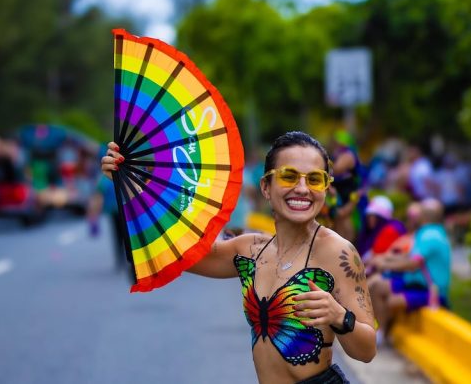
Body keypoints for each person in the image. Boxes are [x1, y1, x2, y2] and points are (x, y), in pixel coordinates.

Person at [102, 131, 376, 383]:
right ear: (266, 187)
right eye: (289, 176)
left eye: (315, 179)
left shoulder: (337, 252)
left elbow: (367, 350)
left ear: (326, 188)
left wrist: (339, 316)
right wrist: (130, 182)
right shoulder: (251, 250)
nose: (303, 188)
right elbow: (179, 252)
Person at [366, 199, 452, 344]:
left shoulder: (429, 236)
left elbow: (412, 264)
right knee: (377, 287)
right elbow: (410, 256)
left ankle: (381, 335)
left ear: (422, 217)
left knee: (389, 299)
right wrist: (385, 261)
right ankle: (380, 333)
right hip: (415, 283)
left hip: (430, 291)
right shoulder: (430, 232)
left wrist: (386, 265)